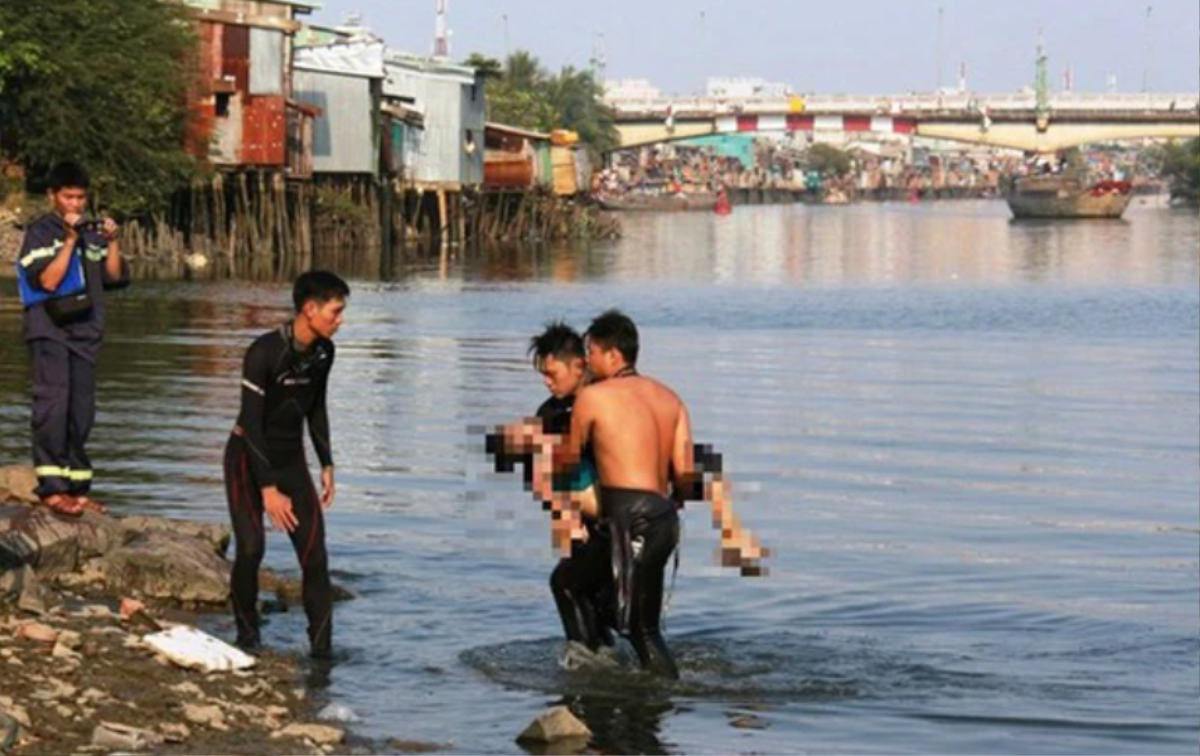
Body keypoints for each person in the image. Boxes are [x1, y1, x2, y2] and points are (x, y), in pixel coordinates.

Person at [554, 310, 764, 679]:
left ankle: (652, 697)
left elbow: (568, 465)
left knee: (638, 627)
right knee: (576, 584)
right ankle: (598, 667)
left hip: (627, 520)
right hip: (663, 520)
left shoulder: (594, 398)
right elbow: (684, 476)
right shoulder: (671, 398)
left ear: (613, 355)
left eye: (592, 352)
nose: (587, 361)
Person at [224, 271, 349, 658]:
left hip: (291, 460)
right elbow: (251, 423)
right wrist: (268, 490)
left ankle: (323, 656)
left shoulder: (324, 352)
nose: (340, 320)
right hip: (248, 458)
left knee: (315, 556)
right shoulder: (263, 353)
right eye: (336, 311)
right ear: (309, 309)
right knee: (250, 547)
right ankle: (248, 640)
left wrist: (327, 462)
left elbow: (315, 408)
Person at [485, 323, 616, 657]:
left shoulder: (608, 399)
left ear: (579, 365)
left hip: (619, 511)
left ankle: (594, 662)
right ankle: (597, 659)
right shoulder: (552, 412)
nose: (546, 382)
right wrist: (564, 519)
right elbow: (542, 471)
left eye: (551, 374)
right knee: (574, 586)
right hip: (583, 517)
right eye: (542, 375)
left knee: (578, 590)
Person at [15, 161, 129, 517]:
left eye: (81, 198)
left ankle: (78, 487)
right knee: (53, 406)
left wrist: (111, 243)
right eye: (69, 197)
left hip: (86, 334)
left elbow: (114, 278)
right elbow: (47, 281)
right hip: (49, 331)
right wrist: (69, 239)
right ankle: (52, 488)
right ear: (53, 196)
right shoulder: (40, 232)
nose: (76, 205)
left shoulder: (93, 232)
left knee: (81, 412)